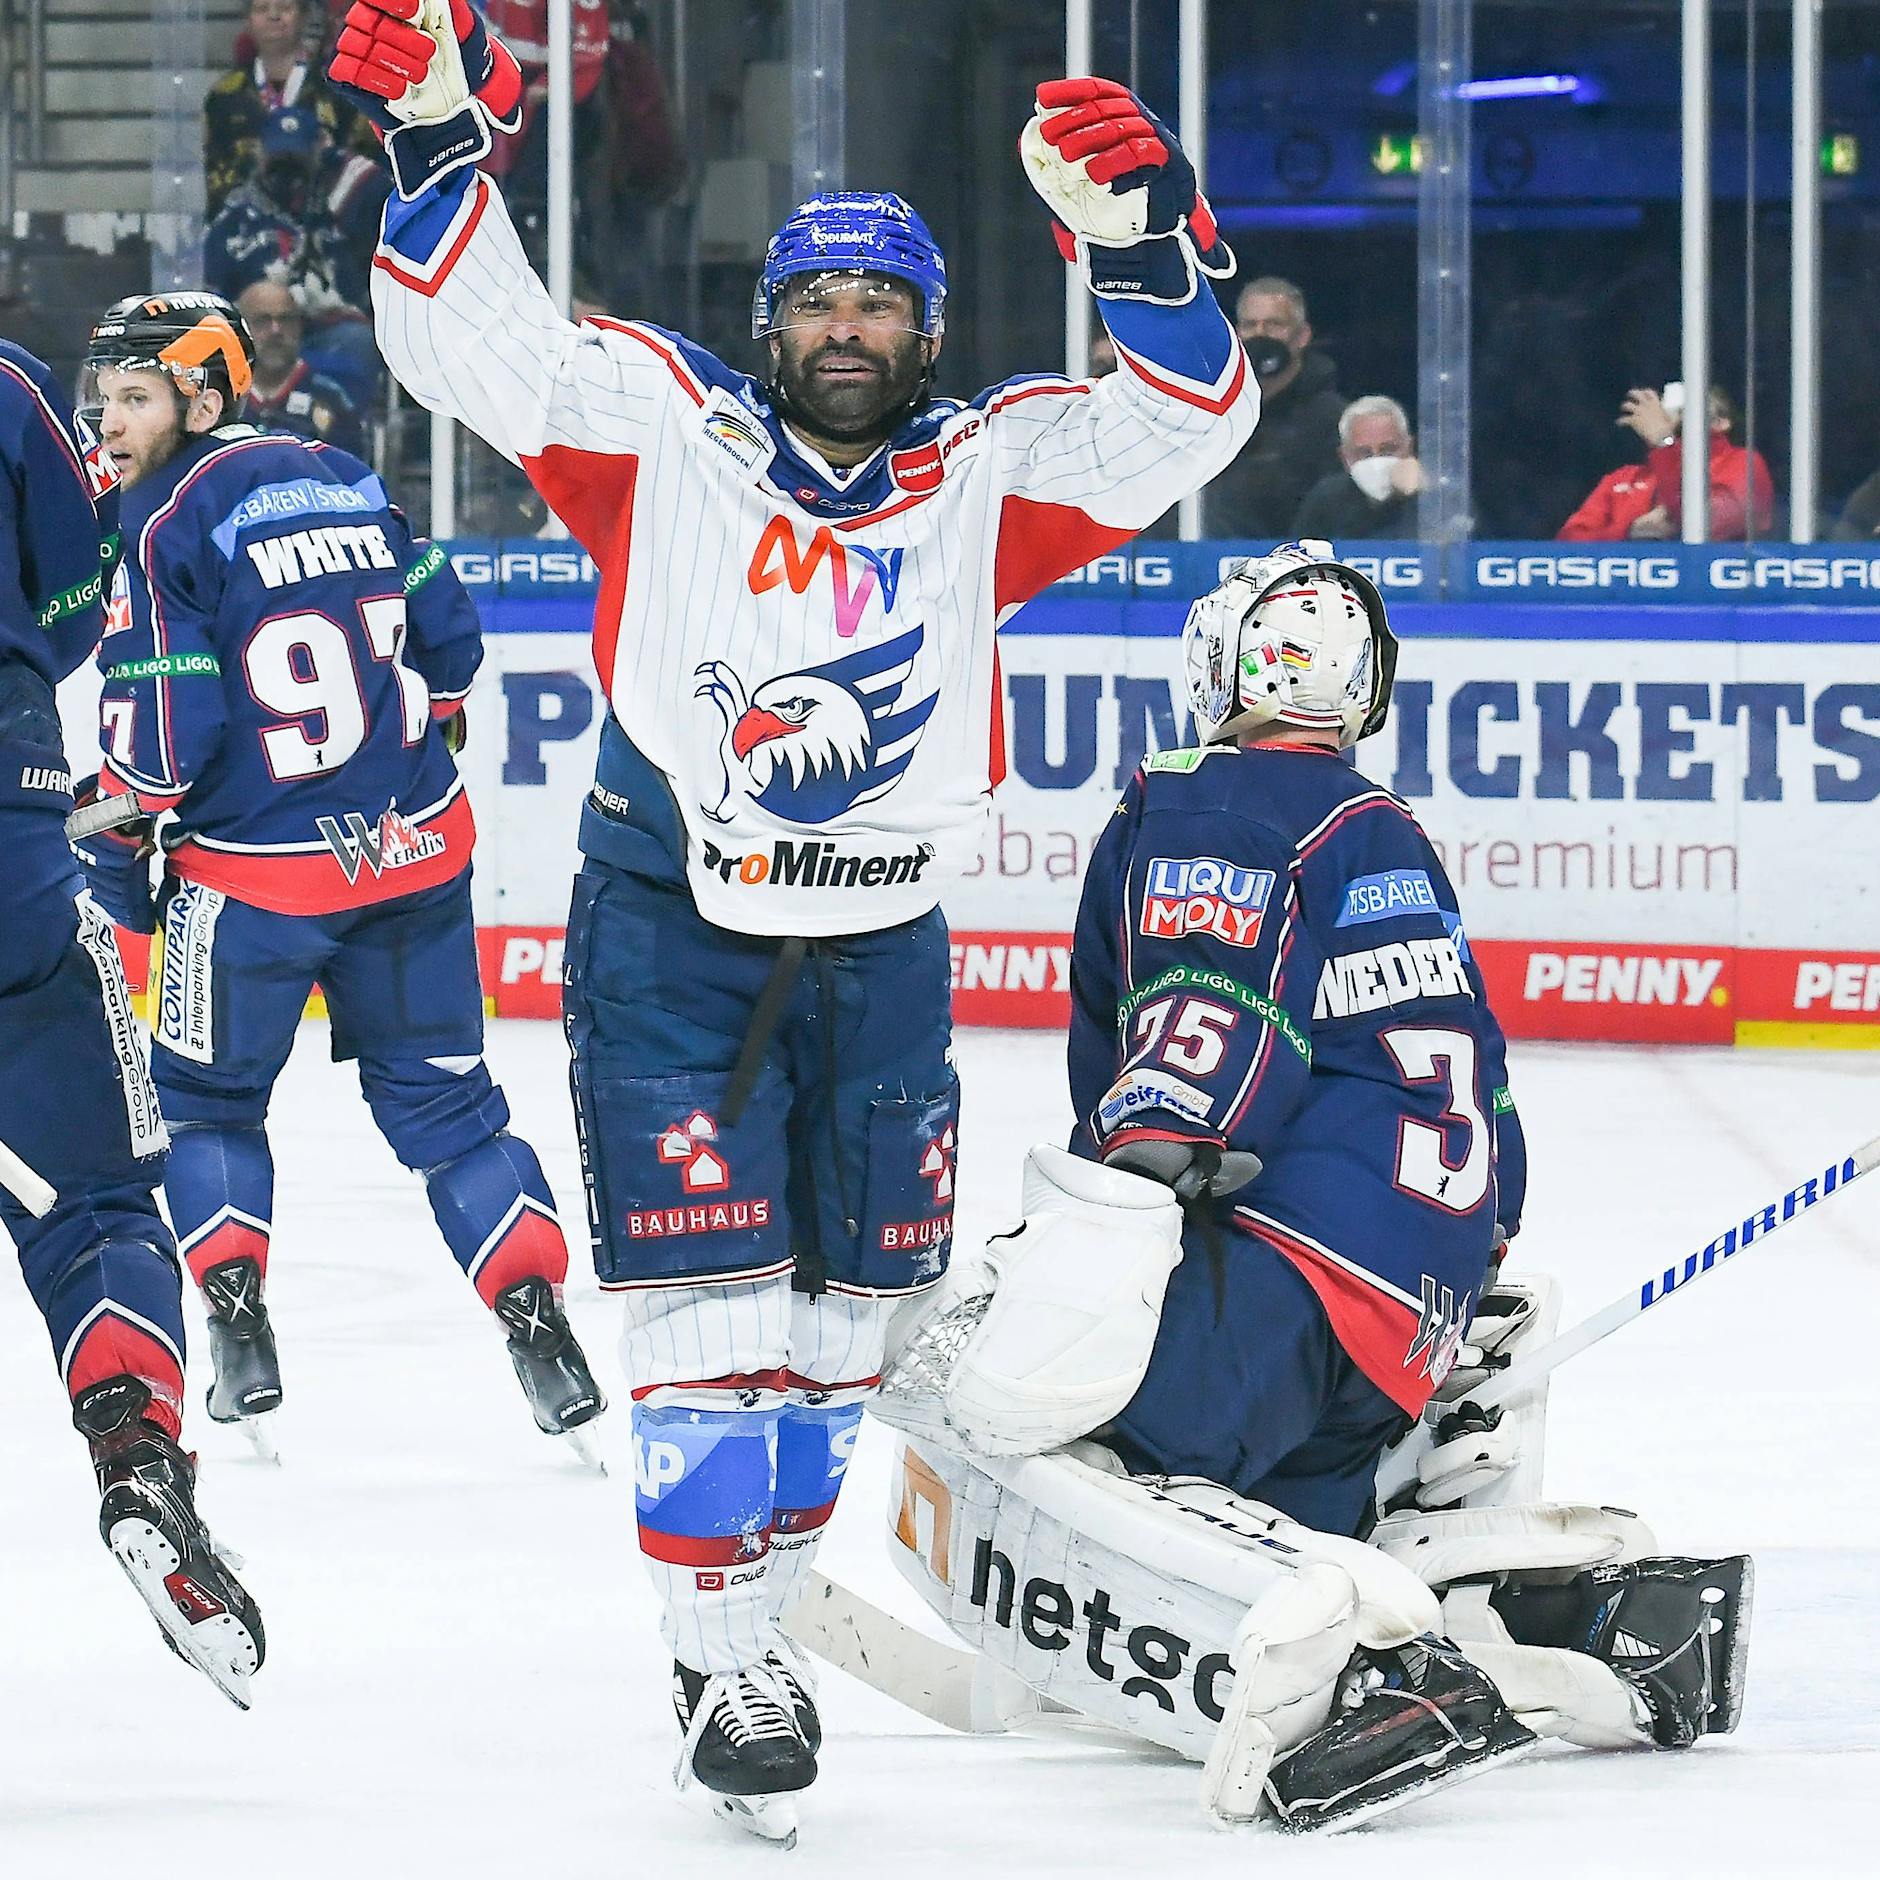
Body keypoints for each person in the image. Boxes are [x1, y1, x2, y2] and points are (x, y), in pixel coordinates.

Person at [329, 0, 1254, 1834]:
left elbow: (1178, 430)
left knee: (854, 1322)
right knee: (705, 1310)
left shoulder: (984, 466)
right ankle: (725, 1653)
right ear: (770, 324)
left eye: (882, 303)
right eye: (817, 299)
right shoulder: (663, 424)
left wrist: (1148, 253)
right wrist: (439, 145)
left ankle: (741, 1628)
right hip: (671, 927)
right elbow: (477, 346)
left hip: (883, 945)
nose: (847, 327)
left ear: (929, 331)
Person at [873, 546, 1753, 1830]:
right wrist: (1460, 1265)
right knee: (1267, 1535)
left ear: (1225, 663)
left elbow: (1207, 1013)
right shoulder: (1379, 826)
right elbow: (1480, 1078)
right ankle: (1552, 1623)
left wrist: (1132, 1178)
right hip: (1404, 1313)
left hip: (1283, 1274)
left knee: (1060, 1434)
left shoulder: (1212, 796)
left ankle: (1382, 1673)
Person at [72, 290, 606, 1466]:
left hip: (254, 884)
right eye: (103, 397)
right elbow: (448, 637)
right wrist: (423, 730)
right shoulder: (348, 475)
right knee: (454, 1115)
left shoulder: (160, 524)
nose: (108, 421)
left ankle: (237, 1325)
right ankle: (539, 1323)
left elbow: (161, 752)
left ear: (201, 398)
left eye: (135, 396)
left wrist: (104, 837)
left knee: (206, 1108)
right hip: (416, 860)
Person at [0, 335, 265, 1705]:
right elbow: (74, 596)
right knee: (98, 1198)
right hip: (9, 833)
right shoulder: (7, 386)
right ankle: (135, 1453)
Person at [205, 106, 389, 411]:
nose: (287, 172)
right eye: (279, 161)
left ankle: (346, 428)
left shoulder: (338, 206)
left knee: (358, 341)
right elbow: (213, 293)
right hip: (257, 330)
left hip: (322, 329)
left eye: (296, 161)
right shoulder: (233, 219)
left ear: (317, 153)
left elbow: (357, 284)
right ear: (261, 154)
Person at [205, 0, 378, 219]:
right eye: (262, 9)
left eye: (285, 8)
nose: (274, 16)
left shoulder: (336, 87)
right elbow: (215, 175)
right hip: (248, 225)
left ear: (304, 16)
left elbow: (366, 160)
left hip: (328, 223)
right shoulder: (225, 96)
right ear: (247, 20)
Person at [1203, 277, 1343, 539]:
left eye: (1274, 324)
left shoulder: (1331, 418)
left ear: (1302, 336)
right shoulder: (1210, 410)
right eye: (1250, 325)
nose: (1260, 334)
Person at [1557, 382, 1773, 542]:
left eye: (1687, 408)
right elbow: (1566, 545)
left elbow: (1707, 522)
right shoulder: (1623, 479)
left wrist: (1663, 443)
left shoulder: (1743, 464)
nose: (1671, 412)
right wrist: (1629, 531)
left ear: (1721, 422)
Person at [237, 276, 367, 453]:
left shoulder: (330, 398)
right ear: (240, 329)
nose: (276, 330)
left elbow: (350, 466)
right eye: (263, 320)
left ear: (299, 326)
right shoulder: (222, 397)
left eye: (285, 320)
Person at [1293, 393, 1426, 539]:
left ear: (1409, 447)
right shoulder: (1325, 501)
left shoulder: (1432, 498)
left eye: (1388, 450)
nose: (1376, 461)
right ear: (1345, 458)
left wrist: (1418, 494)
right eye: (1365, 453)